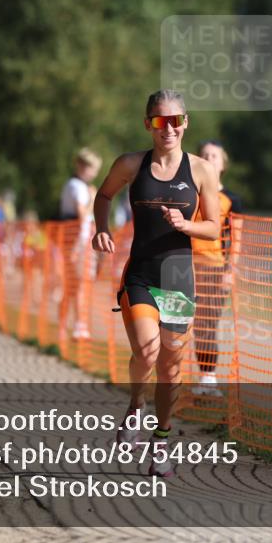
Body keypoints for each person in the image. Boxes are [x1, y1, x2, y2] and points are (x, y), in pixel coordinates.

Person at [92, 89, 220, 477]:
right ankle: (135, 407)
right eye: (160, 121)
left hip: (179, 278)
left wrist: (186, 225)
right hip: (142, 274)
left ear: (186, 123)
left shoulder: (200, 170)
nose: (169, 129)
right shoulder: (131, 164)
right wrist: (101, 229)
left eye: (176, 120)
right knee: (147, 351)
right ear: (148, 124)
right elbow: (103, 195)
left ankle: (162, 440)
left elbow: (214, 228)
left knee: (171, 366)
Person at [191, 140, 244, 396]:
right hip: (185, 266)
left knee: (207, 323)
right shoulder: (188, 192)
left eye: (214, 155)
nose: (209, 158)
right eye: (204, 155)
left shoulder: (232, 200)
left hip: (215, 268)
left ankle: (208, 378)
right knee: (180, 323)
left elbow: (237, 238)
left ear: (223, 164)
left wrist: (230, 270)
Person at [60, 148, 102, 340]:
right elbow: (82, 214)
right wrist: (93, 198)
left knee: (75, 285)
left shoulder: (75, 185)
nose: (93, 173)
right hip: (77, 240)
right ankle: (79, 325)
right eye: (91, 168)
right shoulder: (77, 186)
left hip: (80, 239)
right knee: (78, 284)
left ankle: (66, 324)